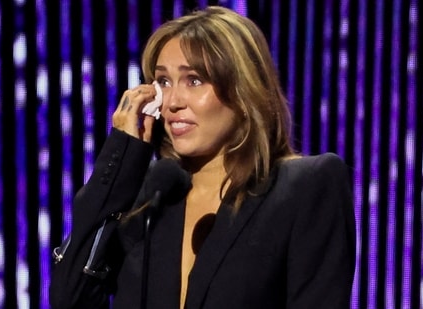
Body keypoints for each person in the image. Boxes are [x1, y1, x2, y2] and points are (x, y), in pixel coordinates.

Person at [49, 5, 355, 309]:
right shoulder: (152, 197)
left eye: (194, 80)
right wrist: (120, 157)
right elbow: (69, 298)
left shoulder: (306, 186)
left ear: (243, 89)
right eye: (164, 82)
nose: (172, 102)